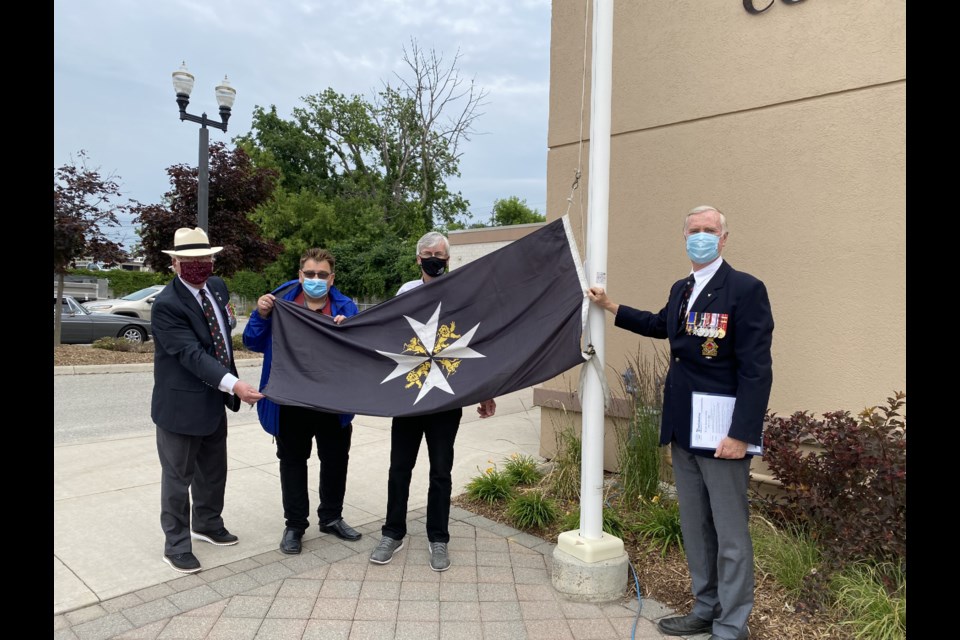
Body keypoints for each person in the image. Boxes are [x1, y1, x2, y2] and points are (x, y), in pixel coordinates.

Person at [587, 206, 773, 640]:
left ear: (724, 239)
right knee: (695, 526)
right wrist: (611, 306)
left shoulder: (745, 289)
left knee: (729, 534)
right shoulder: (683, 288)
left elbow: (756, 370)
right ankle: (705, 608)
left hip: (725, 434)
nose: (701, 237)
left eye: (710, 231)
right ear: (684, 237)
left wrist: (742, 434)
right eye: (695, 231)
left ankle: (731, 625)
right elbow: (661, 325)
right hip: (685, 429)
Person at [369, 231, 497, 572]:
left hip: (445, 398)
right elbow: (383, 334)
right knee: (400, 468)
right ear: (417, 258)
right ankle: (392, 532)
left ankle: (438, 538)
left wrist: (484, 389)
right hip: (409, 397)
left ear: (448, 259)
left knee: (441, 471)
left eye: (440, 254)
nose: (434, 258)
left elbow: (476, 346)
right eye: (428, 253)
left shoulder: (461, 294)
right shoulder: (405, 293)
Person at [151, 227, 264, 574]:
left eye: (205, 258)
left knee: (213, 472)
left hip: (214, 402)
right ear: (175, 263)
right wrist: (235, 385)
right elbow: (191, 354)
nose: (199, 265)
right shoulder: (166, 306)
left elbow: (223, 334)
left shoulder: (216, 288)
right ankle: (176, 545)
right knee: (178, 477)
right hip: (180, 407)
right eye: (190, 260)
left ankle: (208, 523)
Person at [242, 248, 362, 555]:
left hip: (331, 402)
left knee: (335, 461)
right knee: (293, 463)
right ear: (300, 275)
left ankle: (331, 518)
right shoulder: (280, 303)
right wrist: (261, 314)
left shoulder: (346, 307)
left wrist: (346, 330)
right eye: (310, 274)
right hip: (290, 401)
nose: (316, 280)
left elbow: (360, 352)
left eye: (322, 275)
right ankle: (295, 525)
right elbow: (252, 342)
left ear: (332, 278)